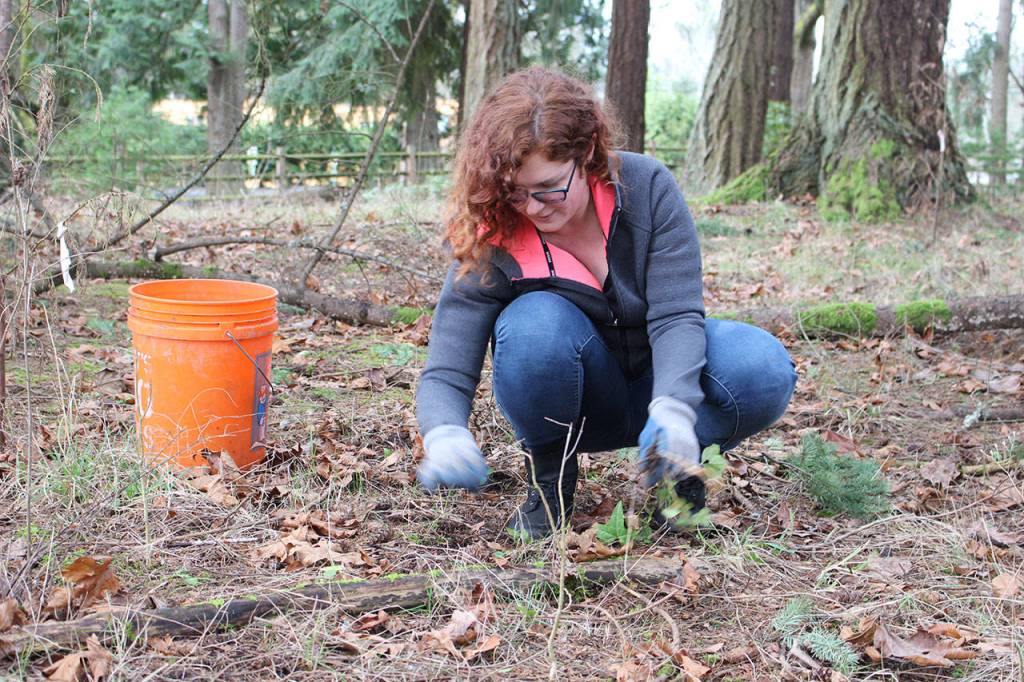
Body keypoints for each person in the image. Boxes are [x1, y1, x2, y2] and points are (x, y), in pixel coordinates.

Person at [415, 67, 797, 539]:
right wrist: (444, 431)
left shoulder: (647, 187)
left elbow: (677, 314)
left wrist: (676, 408)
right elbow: (449, 360)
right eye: (515, 192)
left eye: (549, 188)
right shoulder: (496, 230)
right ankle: (551, 485)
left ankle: (678, 478)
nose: (533, 207)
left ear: (588, 153)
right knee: (533, 324)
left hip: (664, 385)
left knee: (760, 364)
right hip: (578, 400)